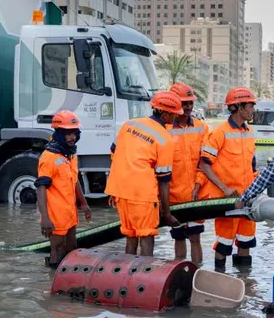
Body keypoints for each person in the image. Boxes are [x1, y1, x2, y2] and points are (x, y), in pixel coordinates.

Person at [105, 91, 182, 257]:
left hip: (120, 191)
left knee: (131, 236)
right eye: (174, 114)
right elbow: (164, 179)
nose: (175, 118)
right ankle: (145, 277)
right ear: (165, 113)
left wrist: (114, 189)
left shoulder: (129, 125)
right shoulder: (164, 139)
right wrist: (167, 213)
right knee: (146, 236)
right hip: (142, 195)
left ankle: (127, 277)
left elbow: (114, 153)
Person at [195, 87, 258, 268]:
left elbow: (251, 165)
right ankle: (220, 282)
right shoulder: (219, 133)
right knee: (224, 244)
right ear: (239, 106)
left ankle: (244, 283)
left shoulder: (250, 132)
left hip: (247, 198)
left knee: (246, 242)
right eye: (251, 105)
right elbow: (204, 164)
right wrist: (225, 189)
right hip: (226, 200)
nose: (253, 109)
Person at [35, 110, 92, 268]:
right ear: (59, 134)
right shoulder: (49, 157)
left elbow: (74, 181)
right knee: (57, 251)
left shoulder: (71, 155)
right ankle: (52, 283)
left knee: (71, 250)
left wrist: (84, 204)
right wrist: (45, 218)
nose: (72, 137)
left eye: (75, 133)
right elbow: (41, 188)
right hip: (55, 216)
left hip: (70, 213)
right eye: (68, 134)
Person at [166, 82, 210, 265]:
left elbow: (206, 161)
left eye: (190, 103)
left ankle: (197, 273)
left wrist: (198, 185)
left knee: (195, 238)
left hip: (195, 195)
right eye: (185, 103)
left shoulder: (202, 127)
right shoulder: (165, 129)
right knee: (178, 237)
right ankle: (179, 275)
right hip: (174, 196)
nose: (188, 107)